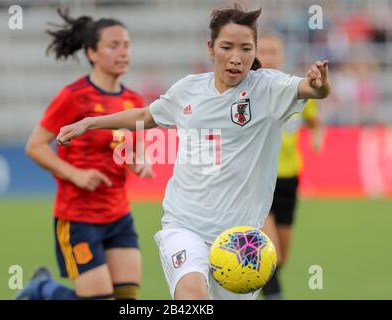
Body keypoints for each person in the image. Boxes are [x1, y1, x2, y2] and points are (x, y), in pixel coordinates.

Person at [56, 6, 331, 300]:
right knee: (192, 297)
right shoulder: (188, 90)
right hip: (185, 225)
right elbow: (148, 116)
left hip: (240, 239)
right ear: (210, 48)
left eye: (245, 48)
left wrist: (320, 83)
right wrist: (90, 123)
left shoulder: (270, 88)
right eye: (226, 47)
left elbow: (314, 91)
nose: (236, 57)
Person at [16, 8, 152, 300]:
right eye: (113, 46)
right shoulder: (74, 96)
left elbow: (132, 150)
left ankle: (42, 288)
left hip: (119, 214)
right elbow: (35, 146)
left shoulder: (134, 101)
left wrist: (140, 162)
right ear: (92, 53)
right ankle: (43, 289)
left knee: (127, 298)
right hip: (78, 218)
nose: (123, 52)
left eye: (126, 45)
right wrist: (75, 174)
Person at [257, 33, 324, 300]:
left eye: (274, 51)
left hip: (289, 180)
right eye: (265, 51)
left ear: (282, 55)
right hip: (260, 181)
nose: (270, 56)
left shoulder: (295, 91)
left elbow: (315, 122)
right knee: (269, 252)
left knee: (280, 257)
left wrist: (317, 139)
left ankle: (244, 288)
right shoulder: (250, 91)